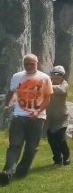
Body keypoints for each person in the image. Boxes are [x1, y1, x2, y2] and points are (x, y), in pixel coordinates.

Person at [0, 54, 53, 185]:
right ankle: (8, 172)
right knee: (15, 145)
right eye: (26, 64)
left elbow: (47, 98)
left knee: (31, 147)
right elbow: (11, 92)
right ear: (23, 64)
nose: (29, 66)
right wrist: (7, 105)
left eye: (32, 64)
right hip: (19, 116)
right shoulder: (17, 76)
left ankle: (22, 171)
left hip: (37, 118)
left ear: (37, 63)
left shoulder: (44, 78)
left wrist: (38, 111)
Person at [44, 65, 71, 166]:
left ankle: (66, 156)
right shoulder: (48, 83)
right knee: (52, 140)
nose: (56, 76)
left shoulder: (64, 84)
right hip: (49, 117)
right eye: (54, 74)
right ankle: (57, 159)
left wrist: (45, 86)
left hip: (61, 116)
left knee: (60, 138)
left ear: (63, 76)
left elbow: (62, 90)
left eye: (59, 74)